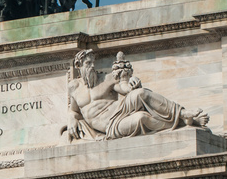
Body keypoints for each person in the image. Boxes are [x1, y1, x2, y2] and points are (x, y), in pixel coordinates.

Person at [65, 50, 209, 140]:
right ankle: (184, 123)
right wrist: (71, 118)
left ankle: (182, 113)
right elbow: (74, 110)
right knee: (142, 118)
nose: (91, 66)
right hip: (110, 126)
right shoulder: (74, 87)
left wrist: (132, 83)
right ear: (78, 66)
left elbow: (124, 88)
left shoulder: (105, 78)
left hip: (119, 109)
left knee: (140, 93)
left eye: (92, 63)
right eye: (87, 63)